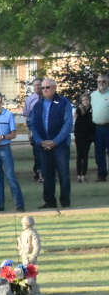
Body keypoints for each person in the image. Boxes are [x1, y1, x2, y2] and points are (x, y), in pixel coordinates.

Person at [30, 78, 73, 209]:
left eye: (47, 87)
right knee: (47, 175)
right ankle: (49, 201)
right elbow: (32, 125)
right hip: (43, 145)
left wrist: (55, 141)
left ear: (54, 88)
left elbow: (68, 125)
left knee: (63, 174)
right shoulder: (37, 105)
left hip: (60, 145)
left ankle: (65, 202)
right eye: (42, 88)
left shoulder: (64, 102)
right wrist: (40, 141)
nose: (44, 90)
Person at [23, 78, 43, 182]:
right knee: (37, 152)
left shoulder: (48, 98)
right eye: (35, 85)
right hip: (34, 131)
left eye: (39, 85)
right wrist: (28, 133)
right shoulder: (29, 100)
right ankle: (38, 172)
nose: (37, 87)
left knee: (45, 152)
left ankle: (42, 173)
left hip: (45, 130)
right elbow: (27, 117)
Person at [92, 73, 109, 182]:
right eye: (99, 81)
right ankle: (102, 175)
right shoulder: (93, 95)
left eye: (104, 81)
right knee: (99, 153)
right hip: (97, 128)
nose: (101, 83)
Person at [75, 92, 95, 183]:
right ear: (81, 101)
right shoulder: (78, 110)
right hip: (79, 136)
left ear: (89, 100)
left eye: (87, 99)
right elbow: (75, 122)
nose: (85, 101)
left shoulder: (92, 109)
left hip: (88, 136)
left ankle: (83, 175)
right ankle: (78, 175)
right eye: (83, 100)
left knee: (85, 155)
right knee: (79, 155)